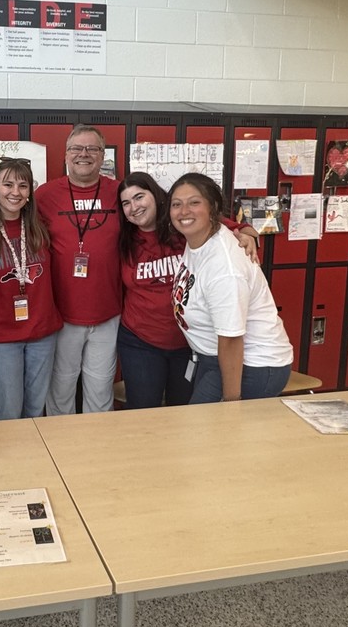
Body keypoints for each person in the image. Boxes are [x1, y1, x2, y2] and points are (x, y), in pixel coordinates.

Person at [117, 172, 259, 409]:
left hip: (188, 344)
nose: (134, 207)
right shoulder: (124, 239)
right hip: (140, 341)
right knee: (142, 413)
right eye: (126, 203)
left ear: (156, 196)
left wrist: (247, 233)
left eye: (139, 197)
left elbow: (231, 227)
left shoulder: (183, 225)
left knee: (183, 412)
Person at [169, 173, 293, 403]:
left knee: (212, 432)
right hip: (215, 358)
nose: (184, 211)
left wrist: (230, 402)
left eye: (194, 202)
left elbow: (231, 338)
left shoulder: (224, 267)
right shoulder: (198, 241)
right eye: (177, 204)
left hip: (251, 365)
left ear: (213, 207)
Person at [0, 157, 61, 420]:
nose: (15, 192)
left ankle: (33, 459)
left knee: (35, 408)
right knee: (9, 410)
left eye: (22, 185)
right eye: (7, 184)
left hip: (42, 332)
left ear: (30, 191)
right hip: (0, 337)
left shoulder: (39, 225)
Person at [35, 125, 121, 416]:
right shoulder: (44, 195)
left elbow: (173, 213)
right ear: (66, 155)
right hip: (62, 315)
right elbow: (2, 219)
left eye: (92, 149)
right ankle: (62, 453)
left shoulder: (120, 192)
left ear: (102, 155)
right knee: (60, 391)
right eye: (76, 149)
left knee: (100, 391)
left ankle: (97, 454)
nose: (84, 154)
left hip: (108, 313)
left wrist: (238, 226)